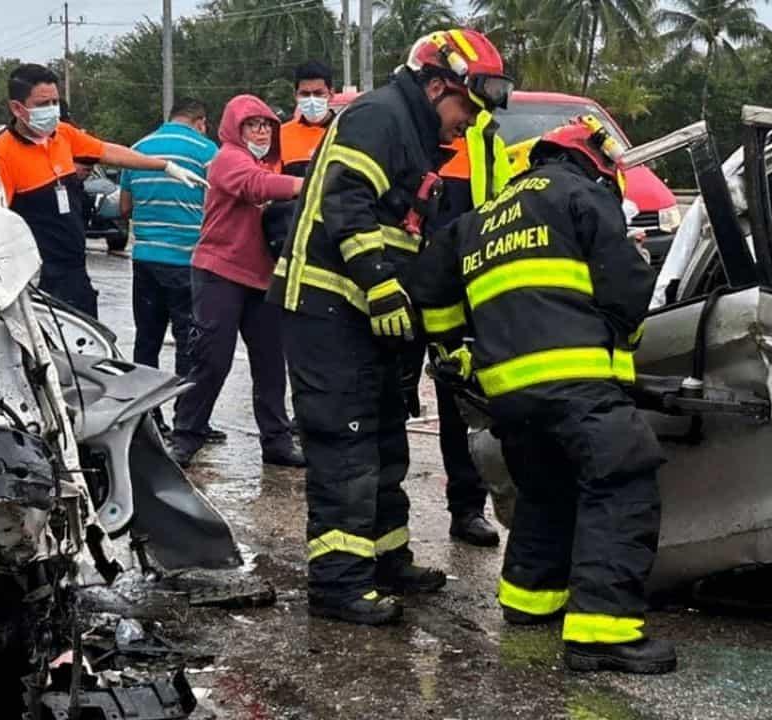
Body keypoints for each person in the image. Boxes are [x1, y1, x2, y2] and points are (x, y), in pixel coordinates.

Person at [402, 116, 677, 675]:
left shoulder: (485, 215)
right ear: (593, 161)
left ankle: (529, 601)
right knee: (621, 481)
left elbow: (429, 281)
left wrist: (454, 352)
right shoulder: (580, 194)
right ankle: (604, 633)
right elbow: (625, 285)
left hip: (508, 393)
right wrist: (624, 339)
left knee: (545, 489)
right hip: (576, 381)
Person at [267, 29, 513, 626]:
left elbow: (407, 235)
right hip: (327, 309)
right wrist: (379, 284)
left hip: (362, 315)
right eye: (466, 107)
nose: (469, 124)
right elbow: (345, 201)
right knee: (346, 444)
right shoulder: (380, 117)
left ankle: (384, 559)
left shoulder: (417, 131)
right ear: (436, 86)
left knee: (383, 439)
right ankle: (337, 585)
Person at [0, 64, 208, 318]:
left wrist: (165, 166)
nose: (51, 110)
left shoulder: (62, 134)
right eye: (42, 104)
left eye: (55, 102)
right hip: (38, 278)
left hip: (74, 270)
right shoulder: (2, 155)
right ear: (17, 108)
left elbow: (108, 151)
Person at [170, 95, 305, 469]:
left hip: (262, 278)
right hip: (220, 272)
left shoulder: (265, 162)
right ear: (234, 128)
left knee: (270, 363)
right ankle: (186, 435)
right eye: (252, 124)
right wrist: (308, 185)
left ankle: (276, 441)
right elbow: (255, 186)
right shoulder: (229, 158)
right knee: (212, 359)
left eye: (266, 125)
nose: (261, 131)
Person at [428, 109, 512, 547]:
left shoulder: (487, 140)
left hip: (465, 288)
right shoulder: (408, 130)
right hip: (404, 279)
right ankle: (375, 521)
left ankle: (467, 508)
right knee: (381, 402)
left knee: (460, 400)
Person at [118, 98, 217, 384]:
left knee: (147, 339)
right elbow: (217, 204)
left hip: (145, 260)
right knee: (188, 339)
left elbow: (125, 208)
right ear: (200, 122)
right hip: (187, 260)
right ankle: (185, 416)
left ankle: (146, 417)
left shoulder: (137, 149)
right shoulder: (207, 151)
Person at [280, 61, 337, 178]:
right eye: (305, 94)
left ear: (331, 94)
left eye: (318, 93)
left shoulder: (346, 131)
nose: (312, 100)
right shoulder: (281, 134)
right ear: (296, 95)